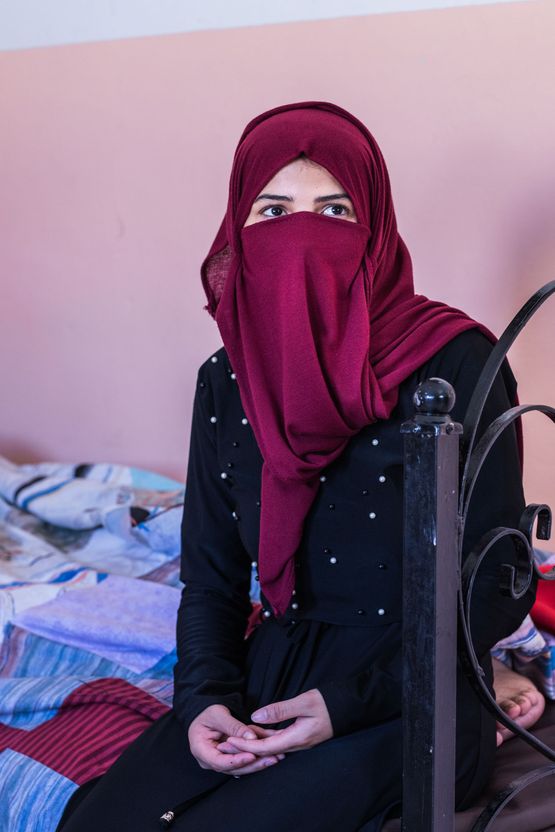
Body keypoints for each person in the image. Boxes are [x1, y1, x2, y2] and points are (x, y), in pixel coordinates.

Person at [57, 102, 539, 832]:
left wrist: (342, 707)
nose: (302, 233)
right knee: (96, 822)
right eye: (273, 209)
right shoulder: (227, 378)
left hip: (416, 691)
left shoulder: (453, 361)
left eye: (335, 209)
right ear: (238, 235)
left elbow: (495, 589)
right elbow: (212, 580)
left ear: (373, 227)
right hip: (272, 665)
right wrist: (203, 703)